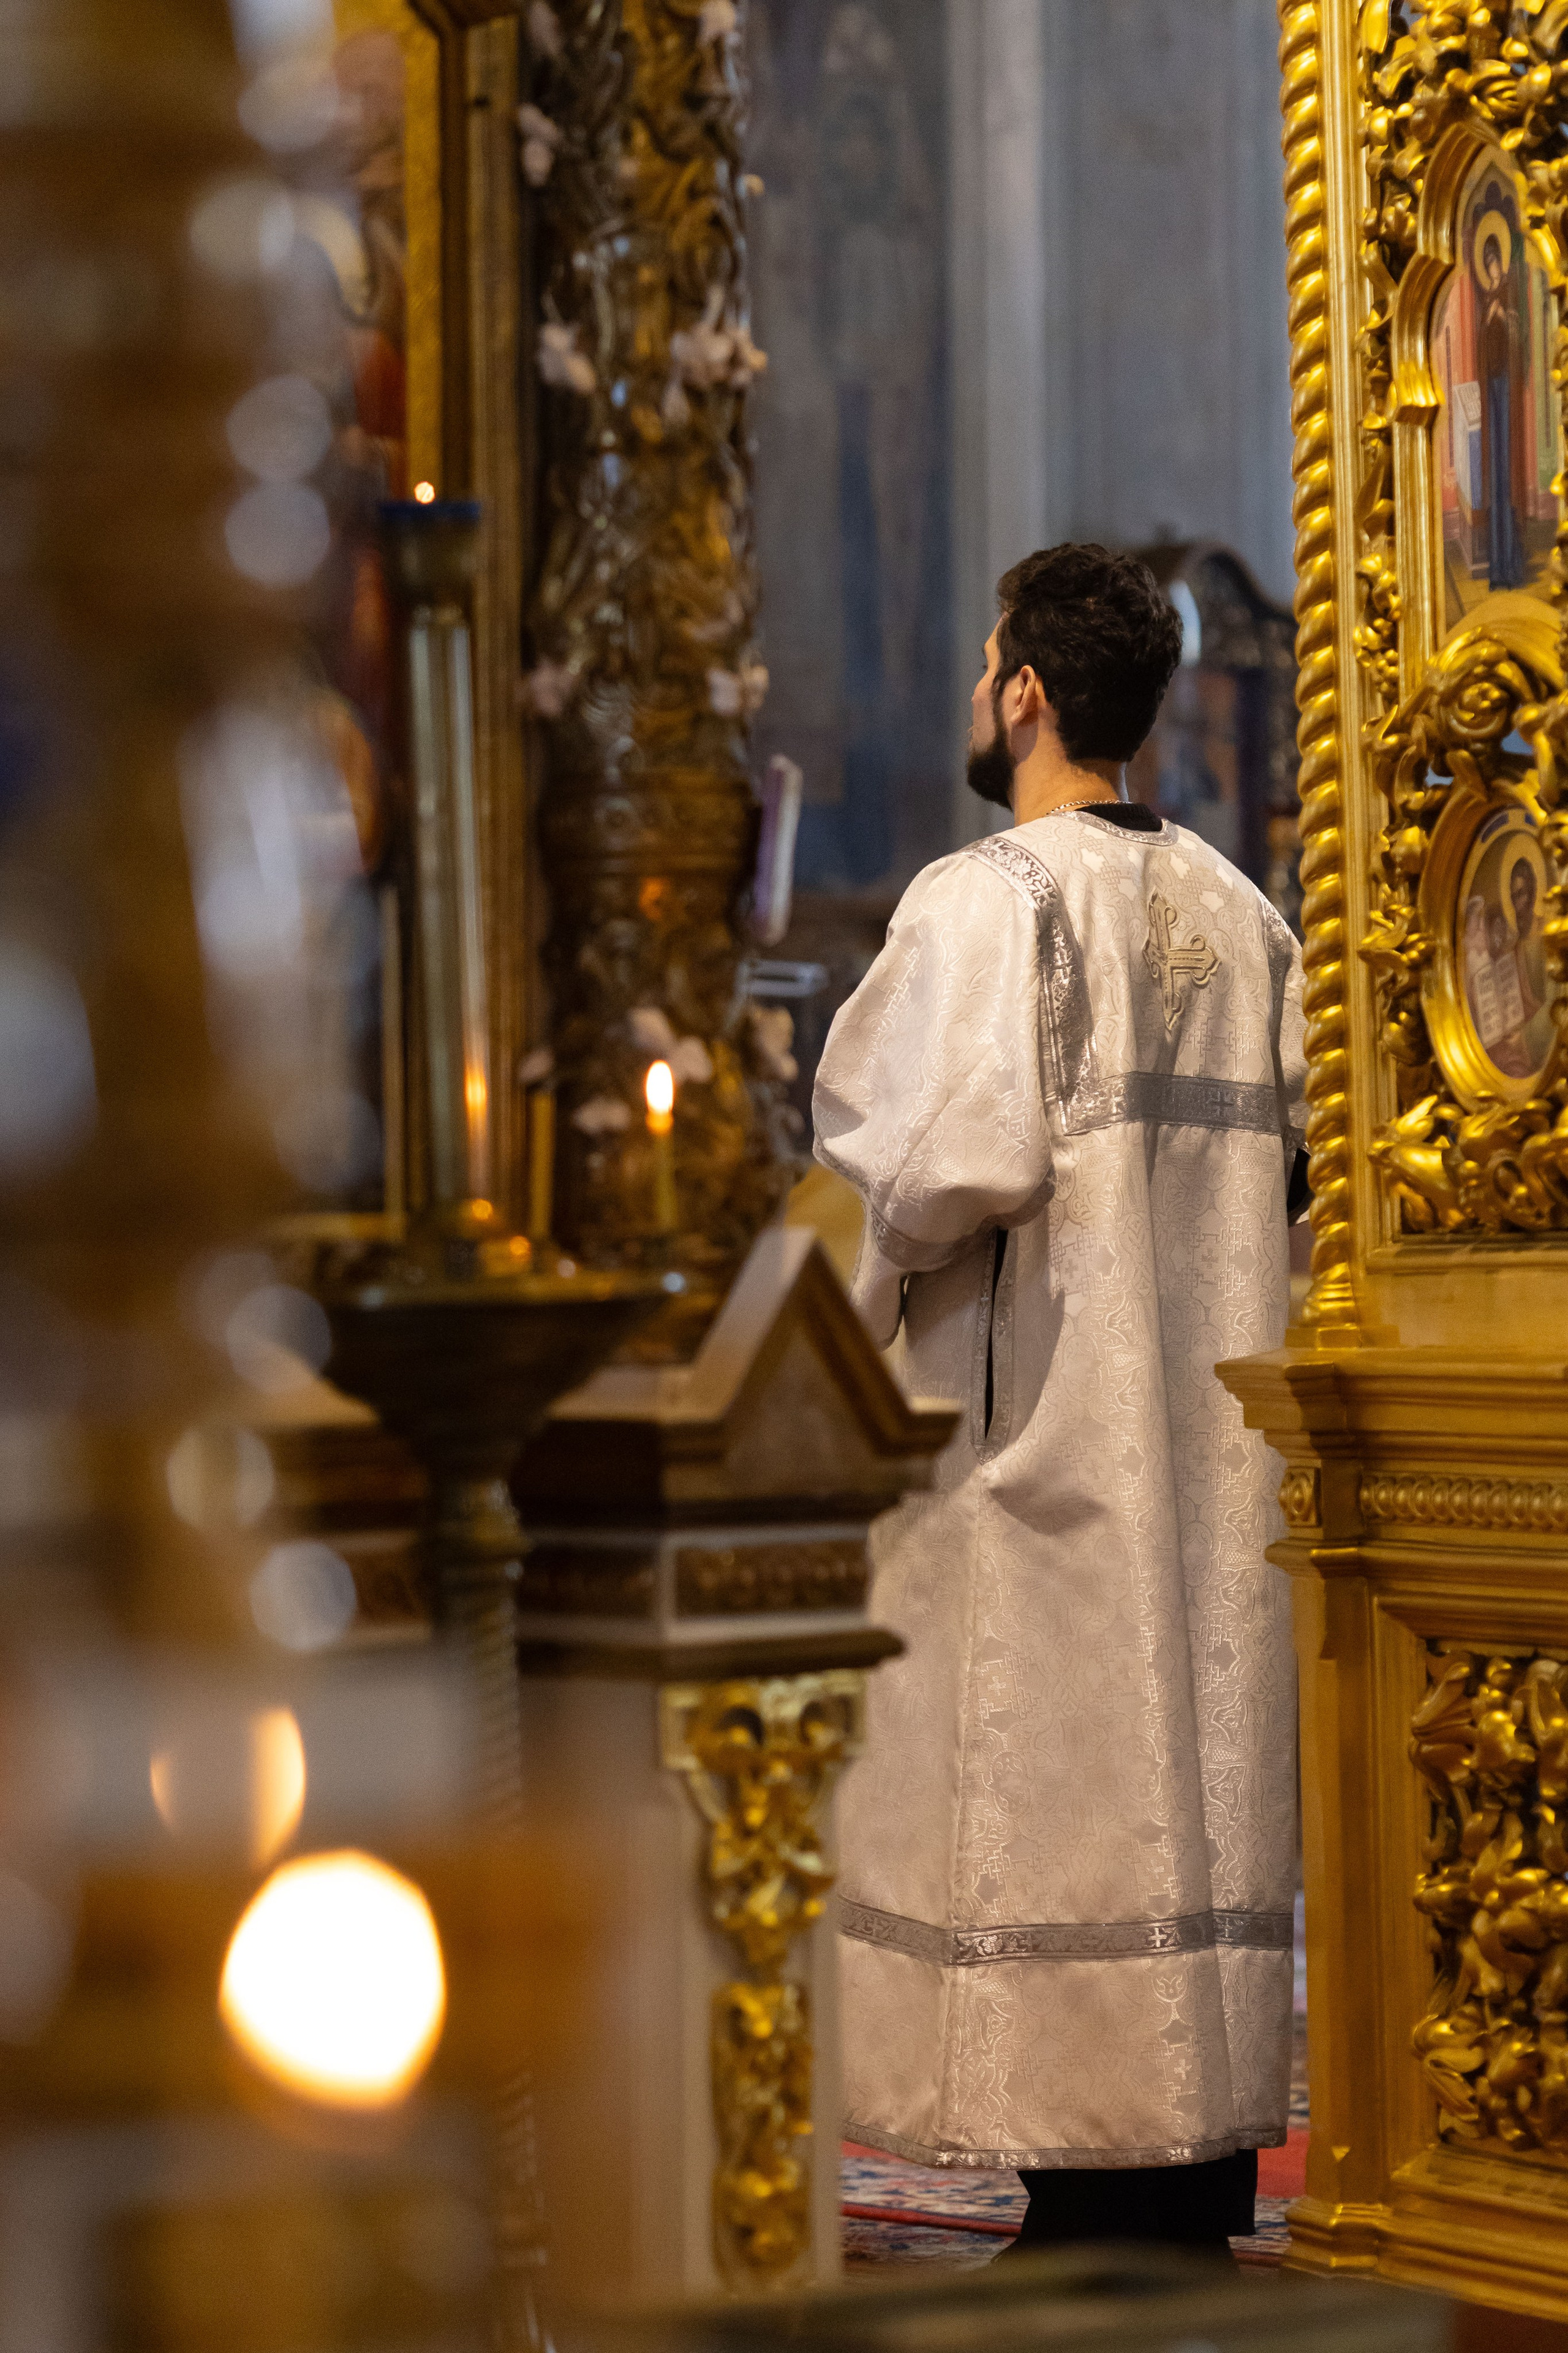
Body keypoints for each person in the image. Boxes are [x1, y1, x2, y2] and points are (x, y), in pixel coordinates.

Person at [814, 543, 1307, 2257]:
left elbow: (930, 1171)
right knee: (1186, 1787)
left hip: (1039, 1450)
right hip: (1206, 1448)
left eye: (985, 667)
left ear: (1025, 691)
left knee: (1049, 1801)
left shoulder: (987, 901)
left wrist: (849, 1303)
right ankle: (1185, 2165)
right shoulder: (1246, 916)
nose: (977, 692)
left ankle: (1092, 2178)